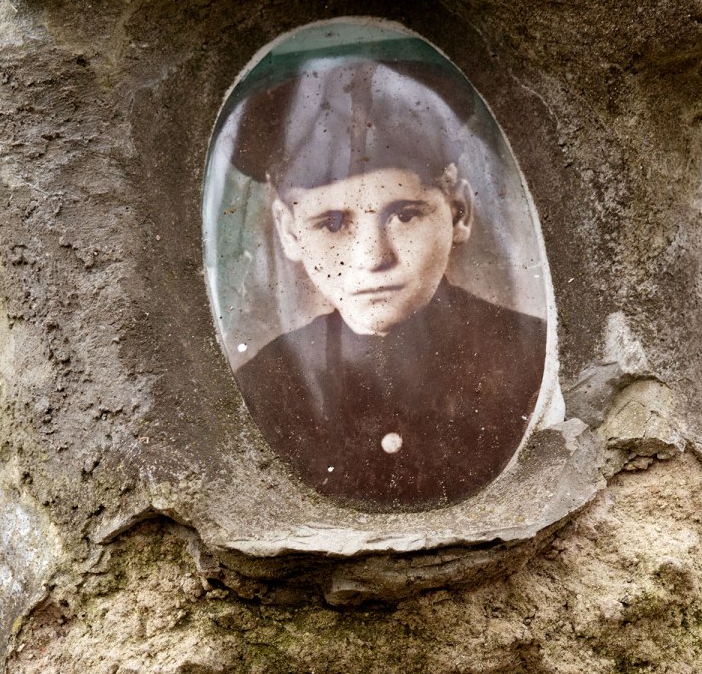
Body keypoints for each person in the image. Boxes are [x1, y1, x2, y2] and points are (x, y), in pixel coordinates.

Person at [230, 58, 545, 511]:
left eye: (404, 215)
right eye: (332, 223)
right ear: (290, 232)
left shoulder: (527, 357)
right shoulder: (268, 386)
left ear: (458, 211)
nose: (373, 258)